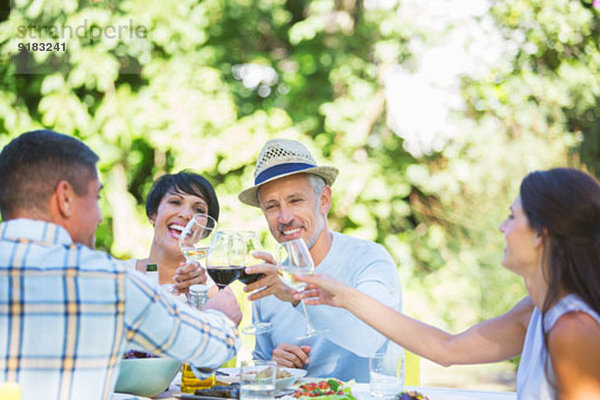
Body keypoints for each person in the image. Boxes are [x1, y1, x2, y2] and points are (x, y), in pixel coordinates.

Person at [294, 168, 600, 399]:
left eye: (511, 216)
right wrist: (344, 296)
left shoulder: (573, 328)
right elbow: (445, 348)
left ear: (539, 235)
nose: (501, 227)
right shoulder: (537, 311)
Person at [0, 130, 242, 400]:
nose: (100, 218)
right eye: (96, 198)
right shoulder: (106, 280)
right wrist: (220, 317)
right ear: (65, 198)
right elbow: (215, 347)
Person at [237, 138, 403, 382]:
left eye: (296, 201)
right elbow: (261, 367)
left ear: (324, 200)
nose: (285, 217)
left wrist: (294, 297)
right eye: (272, 206)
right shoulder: (270, 281)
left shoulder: (369, 260)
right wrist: (275, 366)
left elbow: (366, 340)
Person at [128, 170, 219, 294]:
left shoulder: (216, 291)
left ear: (205, 229)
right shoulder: (119, 274)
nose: (187, 215)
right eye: (175, 202)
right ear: (153, 213)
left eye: (199, 209)